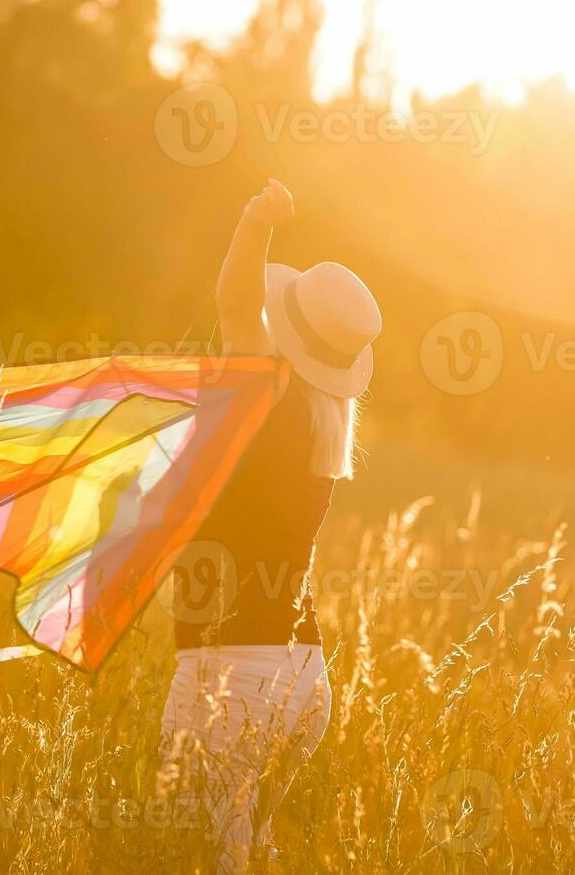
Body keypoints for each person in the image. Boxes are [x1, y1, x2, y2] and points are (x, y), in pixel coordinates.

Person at [156, 179, 382, 872]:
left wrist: (257, 223)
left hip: (233, 666)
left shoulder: (265, 404)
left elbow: (232, 303)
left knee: (196, 851)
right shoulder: (324, 425)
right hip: (304, 675)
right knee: (252, 845)